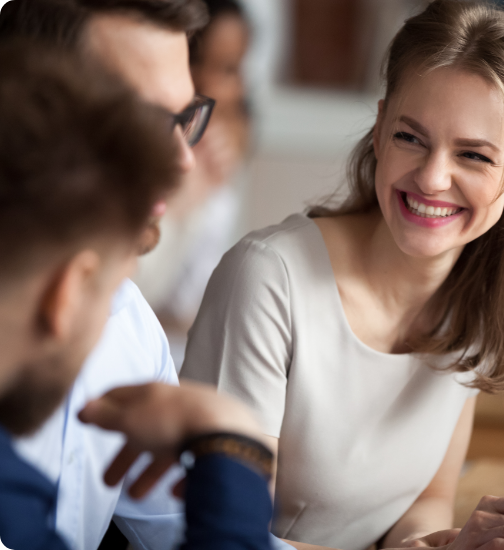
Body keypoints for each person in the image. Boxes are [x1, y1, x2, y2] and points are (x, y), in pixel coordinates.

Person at [181, 0, 504, 549]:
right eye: (410, 137)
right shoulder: (268, 279)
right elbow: (230, 540)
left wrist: (437, 545)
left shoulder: (477, 304)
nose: (431, 177)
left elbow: (422, 504)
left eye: (473, 155)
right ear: (379, 131)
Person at [0, 2, 298, 549]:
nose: (184, 160)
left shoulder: (127, 320)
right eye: (145, 121)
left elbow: (182, 529)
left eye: (186, 119)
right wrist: (231, 448)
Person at [134, 0, 252, 367]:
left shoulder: (220, 163)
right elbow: (128, 288)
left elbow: (195, 305)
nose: (236, 88)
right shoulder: (140, 152)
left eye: (237, 68)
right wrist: (183, 205)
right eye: (225, 68)